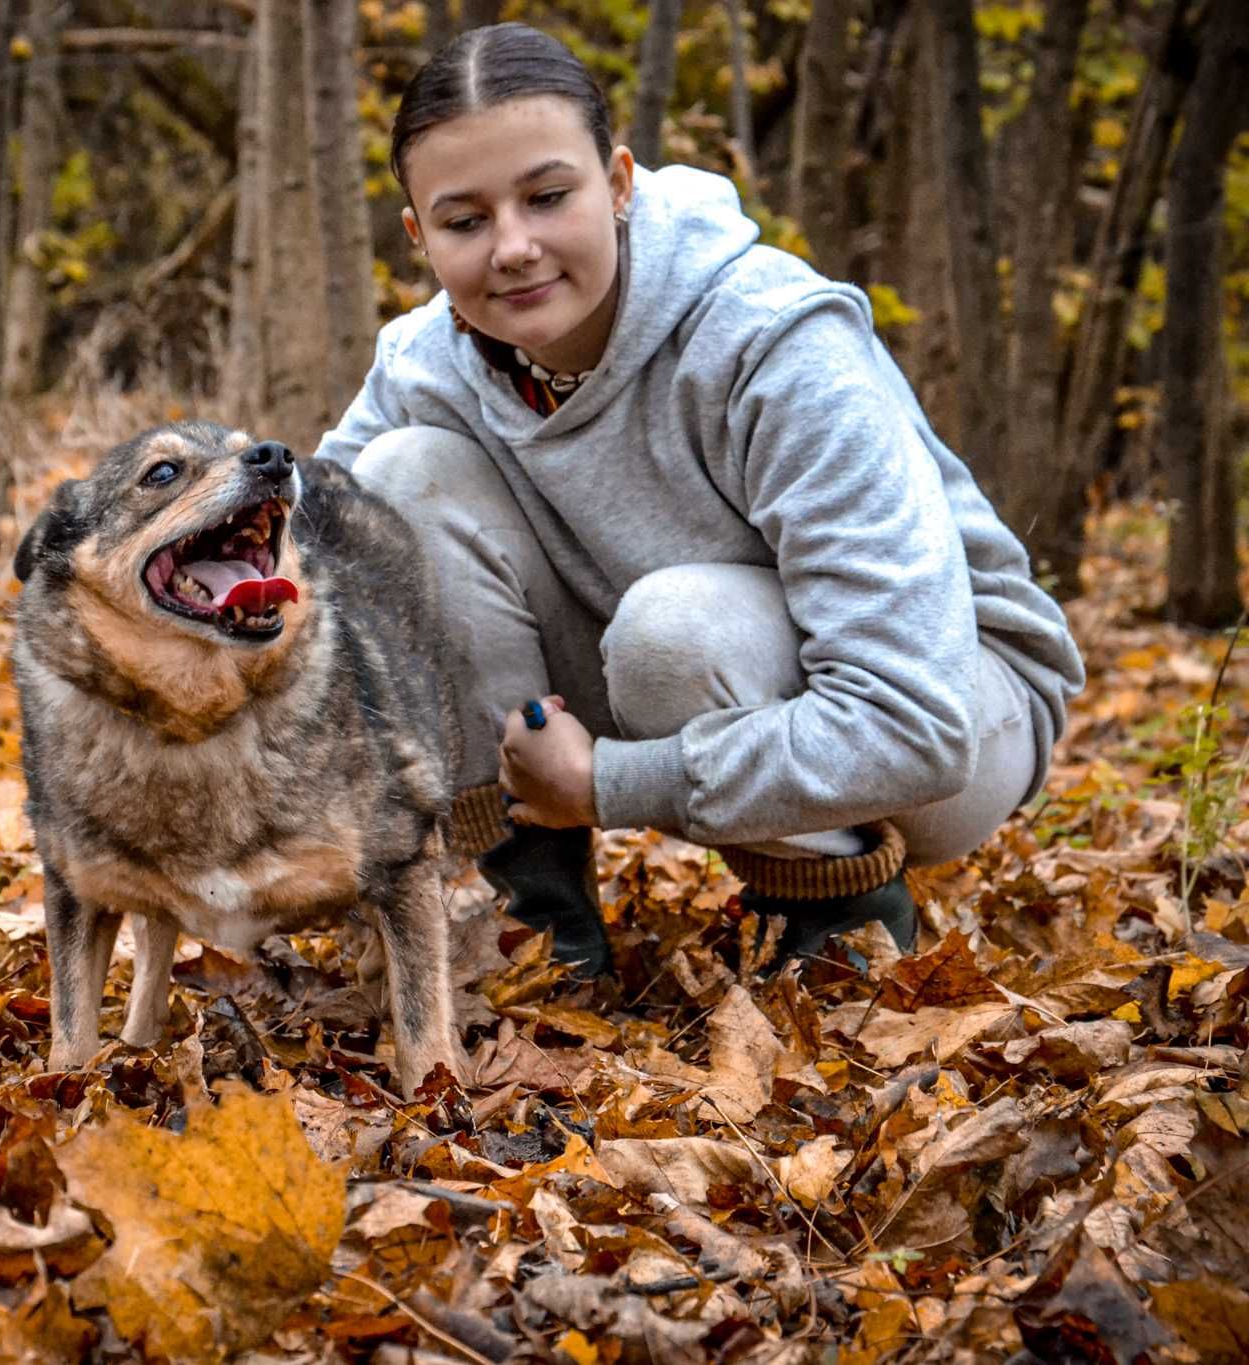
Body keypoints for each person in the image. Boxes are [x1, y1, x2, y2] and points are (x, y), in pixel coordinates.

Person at [312, 23, 1085, 975]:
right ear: (418, 235)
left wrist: (612, 782)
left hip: (954, 712)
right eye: (466, 221)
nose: (513, 247)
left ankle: (833, 923)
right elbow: (299, 565)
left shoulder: (773, 342)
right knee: (394, 487)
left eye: (549, 197)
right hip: (664, 677)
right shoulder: (426, 362)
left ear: (621, 182)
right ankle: (529, 925)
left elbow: (915, 726)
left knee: (671, 633)